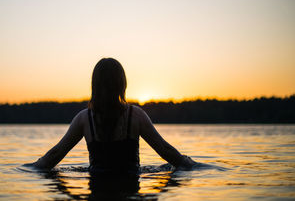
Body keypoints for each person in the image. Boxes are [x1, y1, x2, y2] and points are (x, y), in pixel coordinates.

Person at [29, 58, 196, 174]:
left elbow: (53, 156)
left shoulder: (84, 119)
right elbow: (166, 151)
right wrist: (191, 164)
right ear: (122, 84)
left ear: (94, 85)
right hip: (129, 186)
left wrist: (26, 168)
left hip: (97, 184)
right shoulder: (136, 115)